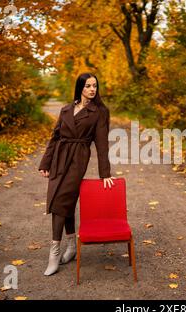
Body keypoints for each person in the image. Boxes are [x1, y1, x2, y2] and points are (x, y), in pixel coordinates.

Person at [38, 73, 116, 276]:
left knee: (60, 200)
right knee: (66, 202)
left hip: (78, 158)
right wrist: (45, 163)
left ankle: (53, 253)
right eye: (88, 85)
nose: (92, 89)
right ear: (80, 87)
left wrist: (104, 173)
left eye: (95, 86)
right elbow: (55, 138)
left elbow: (101, 144)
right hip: (58, 158)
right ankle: (71, 245)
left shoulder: (99, 112)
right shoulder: (66, 109)